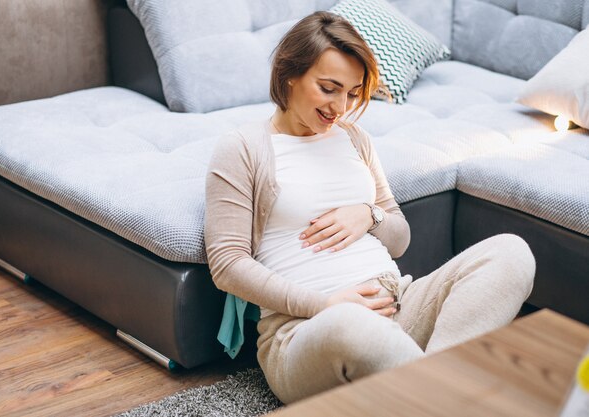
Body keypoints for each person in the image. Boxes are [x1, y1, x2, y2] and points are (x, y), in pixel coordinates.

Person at [205, 11, 535, 404]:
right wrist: (324, 305)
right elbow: (227, 264)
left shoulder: (354, 139)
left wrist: (369, 214)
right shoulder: (242, 148)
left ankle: (429, 391)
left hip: (398, 300)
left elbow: (399, 238)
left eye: (352, 92)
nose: (340, 107)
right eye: (328, 88)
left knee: (511, 253)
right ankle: (449, 396)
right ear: (290, 74)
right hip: (309, 329)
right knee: (351, 324)